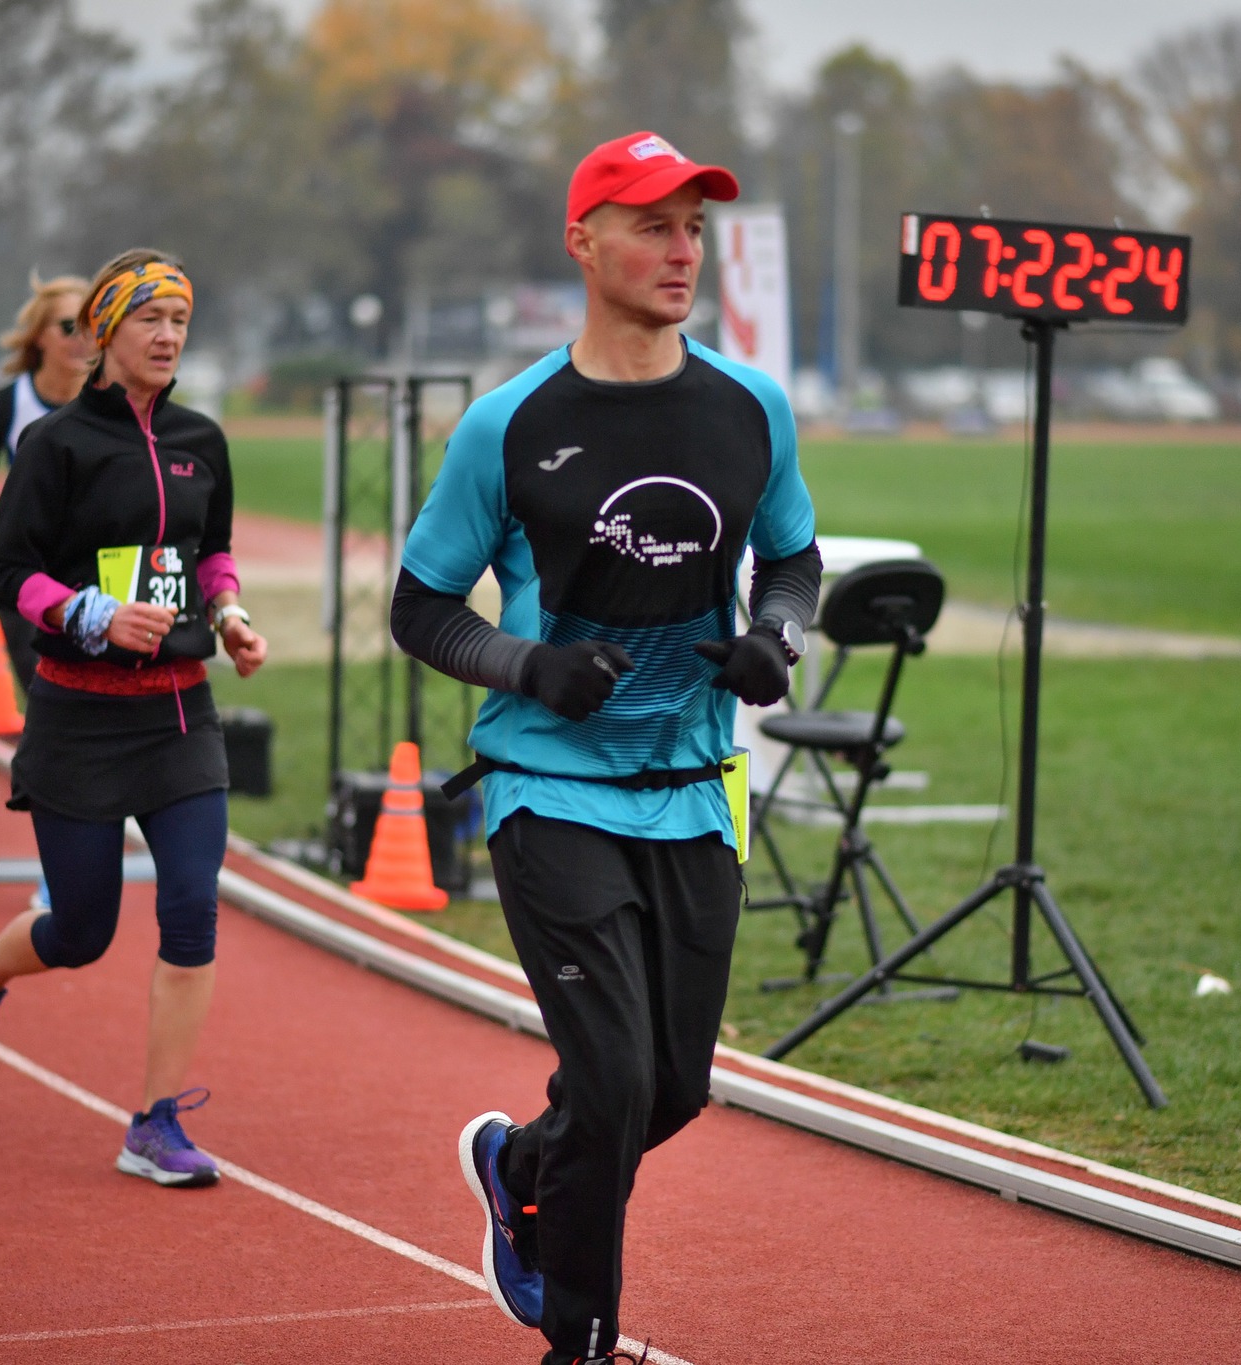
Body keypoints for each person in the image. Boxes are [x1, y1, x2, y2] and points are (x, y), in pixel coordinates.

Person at [392, 132, 821, 1365]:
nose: (681, 251)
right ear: (582, 242)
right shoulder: (506, 424)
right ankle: (579, 1344)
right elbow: (421, 606)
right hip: (549, 789)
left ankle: (521, 1167)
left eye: (693, 229)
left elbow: (792, 560)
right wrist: (528, 667)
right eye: (651, 226)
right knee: (618, 1079)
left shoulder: (749, 406)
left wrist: (775, 640)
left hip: (694, 791)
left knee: (671, 1089)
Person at [0, 248, 268, 1188]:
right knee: (81, 932)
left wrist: (230, 615)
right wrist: (91, 613)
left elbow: (210, 551)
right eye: (150, 319)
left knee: (192, 908)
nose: (168, 337)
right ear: (106, 330)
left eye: (180, 321)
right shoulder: (57, 444)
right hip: (78, 718)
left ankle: (156, 1122)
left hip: (180, 716)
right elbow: (7, 571)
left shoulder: (202, 438)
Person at [0, 271, 96, 690]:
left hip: (94, 570)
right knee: (44, 690)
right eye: (68, 327)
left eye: (90, 327)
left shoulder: (111, 403)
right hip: (27, 569)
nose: (81, 339)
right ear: (39, 336)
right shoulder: (5, 407)